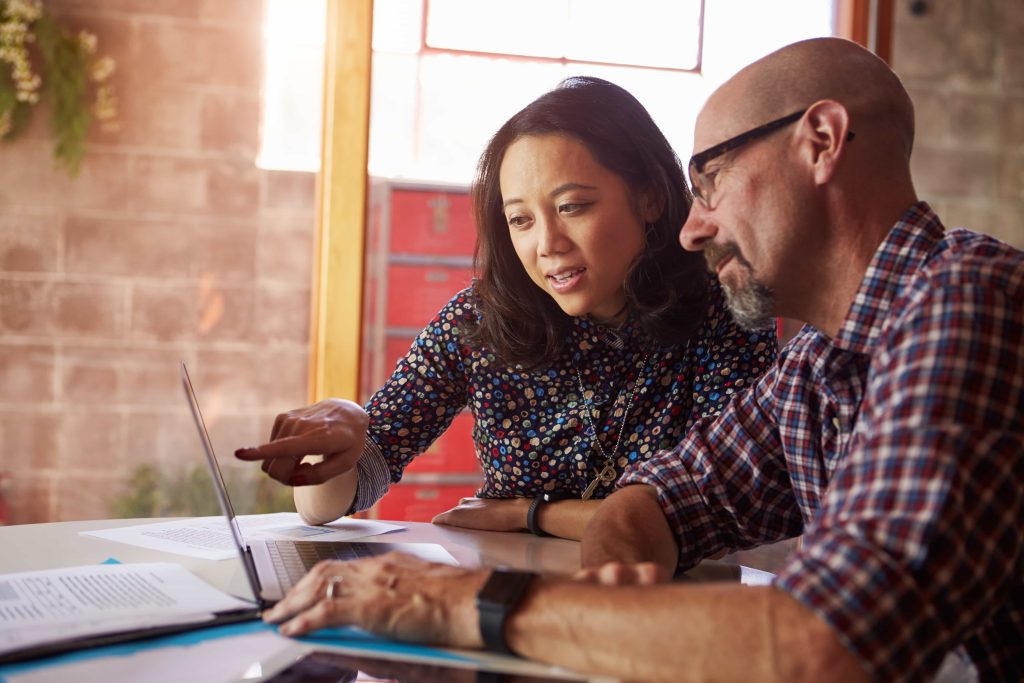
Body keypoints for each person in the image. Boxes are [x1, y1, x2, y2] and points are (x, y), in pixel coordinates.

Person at [256, 38, 1023, 683]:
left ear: (820, 141)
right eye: (521, 218)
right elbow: (661, 498)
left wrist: (467, 600)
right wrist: (610, 606)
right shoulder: (820, 359)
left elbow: (827, 642)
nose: (696, 228)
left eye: (711, 179)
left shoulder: (967, 299)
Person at [236, 76, 777, 540]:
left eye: (572, 207)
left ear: (650, 197)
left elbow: (721, 507)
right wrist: (348, 431)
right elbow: (331, 503)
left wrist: (532, 516)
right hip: (510, 609)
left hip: (666, 616)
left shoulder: (722, 309)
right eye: (521, 219)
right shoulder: (480, 319)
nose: (548, 244)